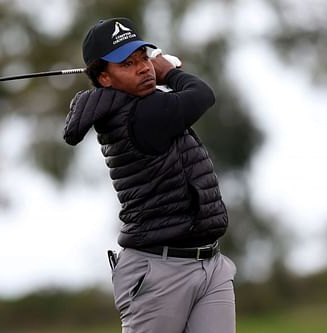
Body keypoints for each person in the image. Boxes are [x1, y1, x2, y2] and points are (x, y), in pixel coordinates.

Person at [63, 17, 236, 333]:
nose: (143, 68)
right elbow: (202, 94)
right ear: (105, 78)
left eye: (143, 57)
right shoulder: (142, 114)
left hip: (210, 263)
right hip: (159, 272)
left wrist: (157, 69)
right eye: (128, 63)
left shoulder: (139, 103)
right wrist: (168, 70)